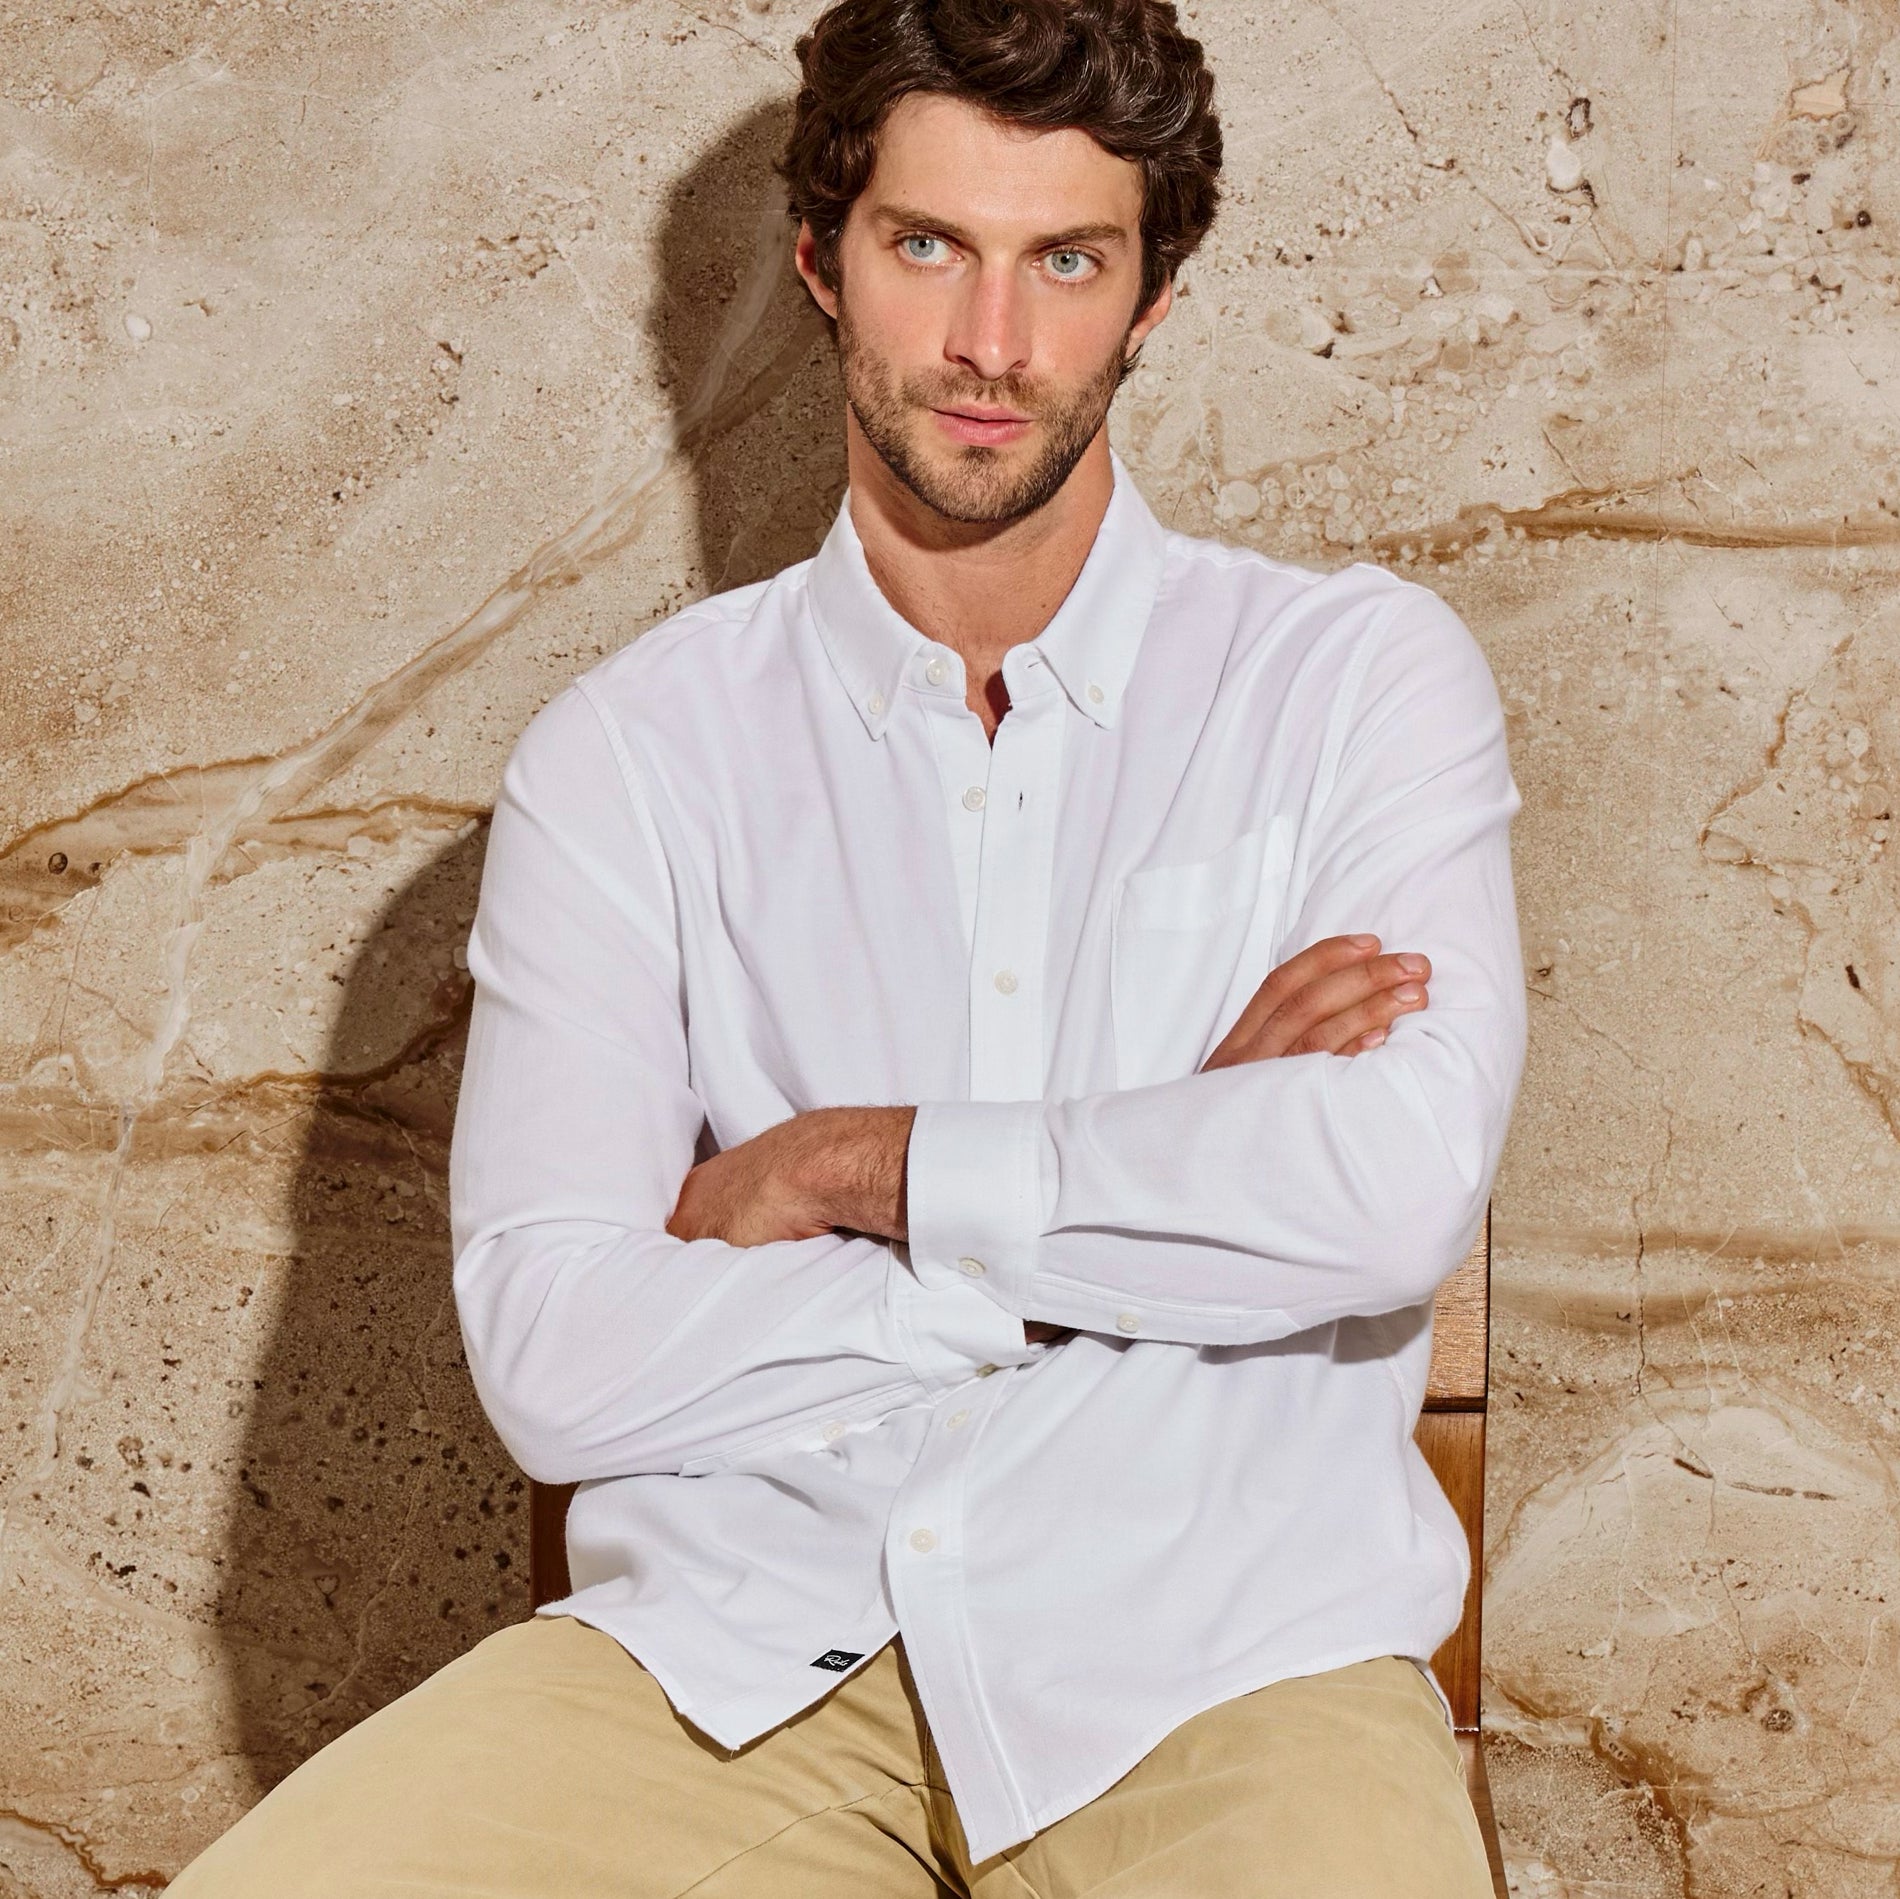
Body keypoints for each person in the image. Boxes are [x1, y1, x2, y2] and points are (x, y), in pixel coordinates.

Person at [168, 0, 1524, 1891]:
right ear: (822, 260)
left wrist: (848, 1171)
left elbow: (1377, 1198)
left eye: (1067, 260)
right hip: (730, 1664)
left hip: (1229, 1667)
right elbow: (558, 1358)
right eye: (928, 248)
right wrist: (1140, 1181)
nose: (992, 344)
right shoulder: (630, 762)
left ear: (1152, 298)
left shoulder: (1349, 684)